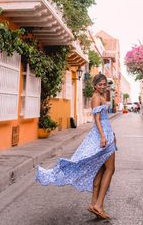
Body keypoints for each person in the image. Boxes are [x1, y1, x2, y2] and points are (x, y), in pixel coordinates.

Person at [36, 73, 117, 220]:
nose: (103, 86)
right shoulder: (96, 98)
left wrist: (111, 134)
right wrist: (104, 137)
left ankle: (94, 204)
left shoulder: (100, 97)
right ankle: (99, 205)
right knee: (110, 169)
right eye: (100, 85)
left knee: (101, 170)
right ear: (95, 86)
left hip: (107, 134)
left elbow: (104, 120)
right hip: (103, 136)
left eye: (105, 84)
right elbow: (97, 120)